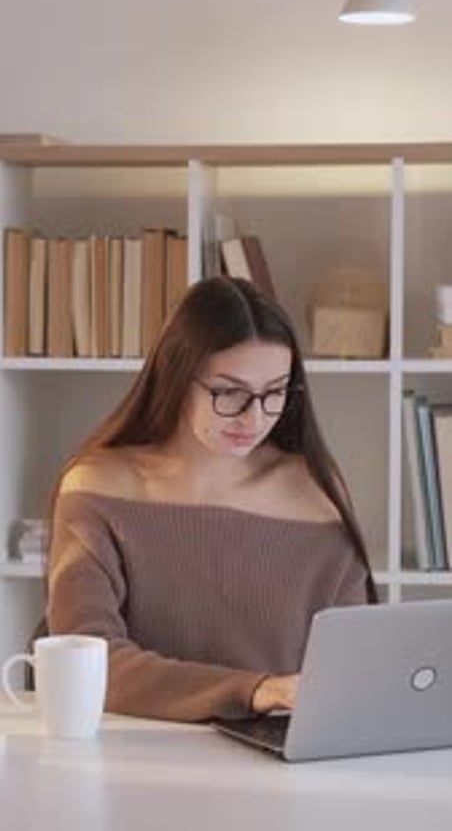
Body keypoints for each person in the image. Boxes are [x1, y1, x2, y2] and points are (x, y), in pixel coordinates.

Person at [47, 276, 377, 722]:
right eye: (229, 392)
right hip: (137, 751)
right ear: (178, 378)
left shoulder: (315, 490)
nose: (255, 416)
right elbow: (88, 661)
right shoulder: (99, 487)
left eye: (275, 392)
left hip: (284, 756)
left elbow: (353, 661)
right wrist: (252, 690)